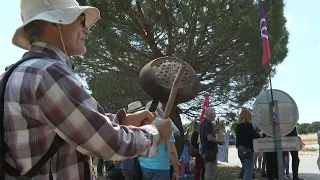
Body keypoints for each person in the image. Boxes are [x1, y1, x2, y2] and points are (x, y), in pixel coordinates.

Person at [2, 0, 173, 179]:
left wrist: (122, 120)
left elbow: (66, 125)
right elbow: (108, 143)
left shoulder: (14, 74)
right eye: (80, 19)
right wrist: (156, 133)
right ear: (54, 23)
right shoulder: (48, 73)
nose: (87, 29)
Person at [138, 101, 180, 180]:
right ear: (159, 110)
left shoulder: (141, 125)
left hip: (144, 166)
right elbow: (172, 150)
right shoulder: (165, 125)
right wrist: (176, 171)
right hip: (160, 168)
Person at [235, 108, 260, 180]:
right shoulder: (248, 126)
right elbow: (255, 136)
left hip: (240, 150)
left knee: (245, 167)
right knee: (248, 170)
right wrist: (260, 134)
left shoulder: (238, 126)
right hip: (248, 150)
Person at [199, 107, 223, 180]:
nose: (215, 115)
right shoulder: (209, 123)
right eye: (214, 113)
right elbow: (209, 138)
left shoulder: (202, 123)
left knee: (205, 172)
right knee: (210, 173)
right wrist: (219, 141)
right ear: (210, 114)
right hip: (211, 152)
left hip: (204, 151)